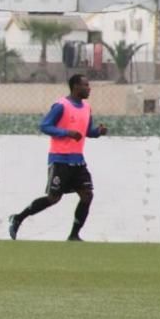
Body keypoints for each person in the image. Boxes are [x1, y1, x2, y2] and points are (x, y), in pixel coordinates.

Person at [9, 74, 107, 242]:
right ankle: (18, 218)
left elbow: (87, 131)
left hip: (78, 161)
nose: (89, 88)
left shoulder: (86, 108)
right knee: (53, 198)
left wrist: (97, 132)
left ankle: (74, 235)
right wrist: (66, 132)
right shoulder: (61, 106)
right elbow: (44, 126)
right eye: (86, 85)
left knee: (87, 195)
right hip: (60, 159)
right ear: (76, 87)